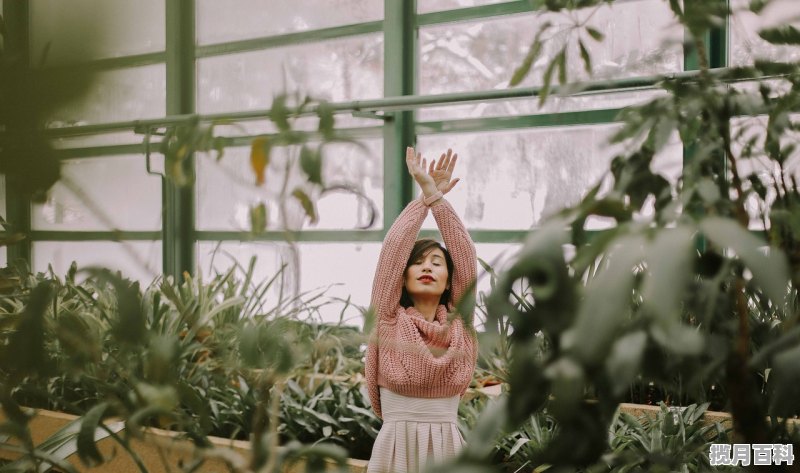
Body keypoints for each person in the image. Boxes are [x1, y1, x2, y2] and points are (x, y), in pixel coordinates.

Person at [364, 146, 478, 473]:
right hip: (395, 449)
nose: (426, 267)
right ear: (402, 276)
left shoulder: (460, 323)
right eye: (417, 262)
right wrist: (422, 200)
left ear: (448, 280)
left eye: (436, 262)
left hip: (447, 451)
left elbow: (465, 254)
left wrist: (438, 201)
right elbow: (392, 251)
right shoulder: (388, 318)